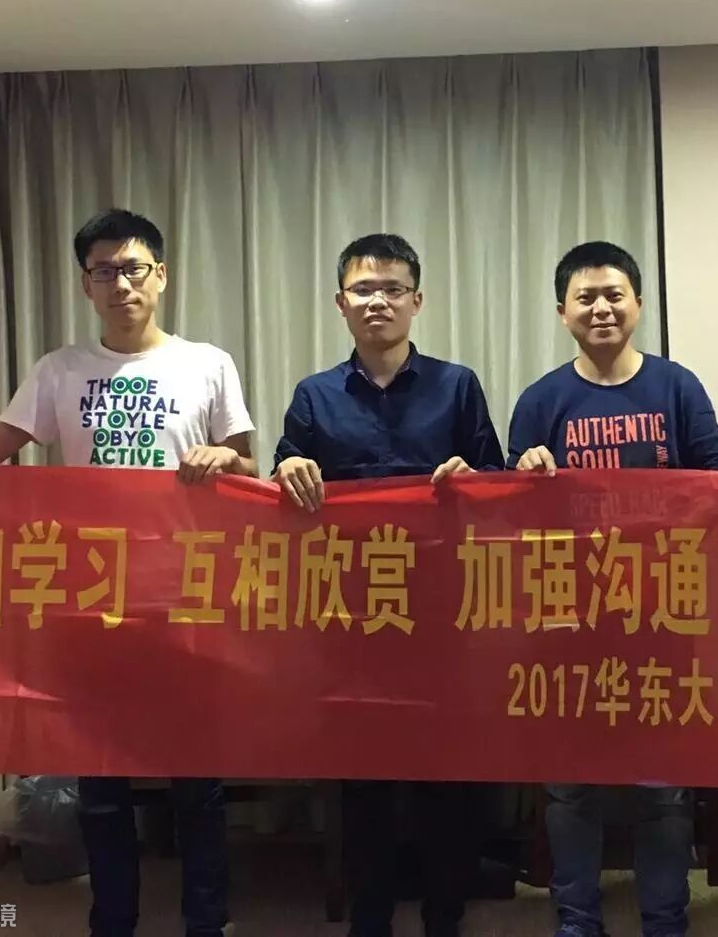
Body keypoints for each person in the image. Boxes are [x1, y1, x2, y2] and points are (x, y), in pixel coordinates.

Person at [0, 208, 256, 937]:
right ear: (85, 285)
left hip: (185, 598)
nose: (120, 284)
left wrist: (225, 457)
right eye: (104, 271)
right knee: (101, 784)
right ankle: (112, 920)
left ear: (161, 276)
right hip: (90, 602)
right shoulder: (59, 370)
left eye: (133, 269)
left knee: (196, 780)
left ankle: (208, 920)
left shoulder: (208, 363)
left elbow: (249, 467)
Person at [273, 232, 504, 937]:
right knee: (362, 779)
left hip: (442, 611)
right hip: (350, 616)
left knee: (445, 779)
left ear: (417, 300)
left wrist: (471, 478)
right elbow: (281, 491)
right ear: (340, 303)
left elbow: (498, 485)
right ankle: (369, 917)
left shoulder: (457, 385)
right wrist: (286, 471)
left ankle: (444, 916)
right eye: (364, 290)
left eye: (393, 289)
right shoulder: (314, 396)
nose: (379, 302)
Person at [508, 240, 718, 937]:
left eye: (614, 295)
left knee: (662, 788)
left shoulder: (677, 387)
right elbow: (509, 513)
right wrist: (525, 473)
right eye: (586, 298)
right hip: (568, 619)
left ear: (638, 304)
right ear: (563, 312)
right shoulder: (541, 399)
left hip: (663, 614)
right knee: (570, 787)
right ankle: (578, 920)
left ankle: (664, 920)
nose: (601, 308)